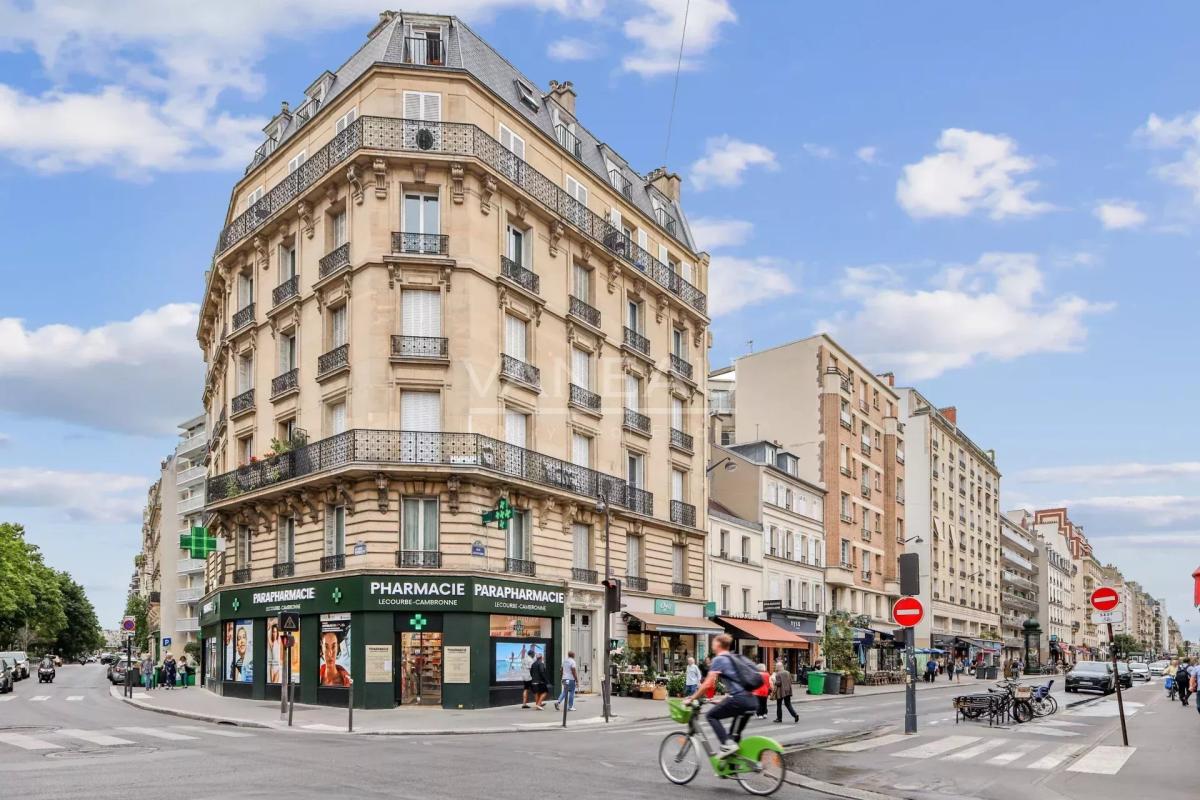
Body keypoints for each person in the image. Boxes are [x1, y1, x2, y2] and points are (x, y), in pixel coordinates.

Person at [684, 634, 759, 758]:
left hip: (739, 700)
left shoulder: (719, 659)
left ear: (718, 644)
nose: (712, 644)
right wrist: (723, 699)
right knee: (733, 738)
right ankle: (733, 765)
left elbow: (708, 683)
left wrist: (692, 698)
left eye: (713, 642)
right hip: (751, 700)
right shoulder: (733, 658)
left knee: (711, 716)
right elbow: (737, 683)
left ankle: (726, 745)